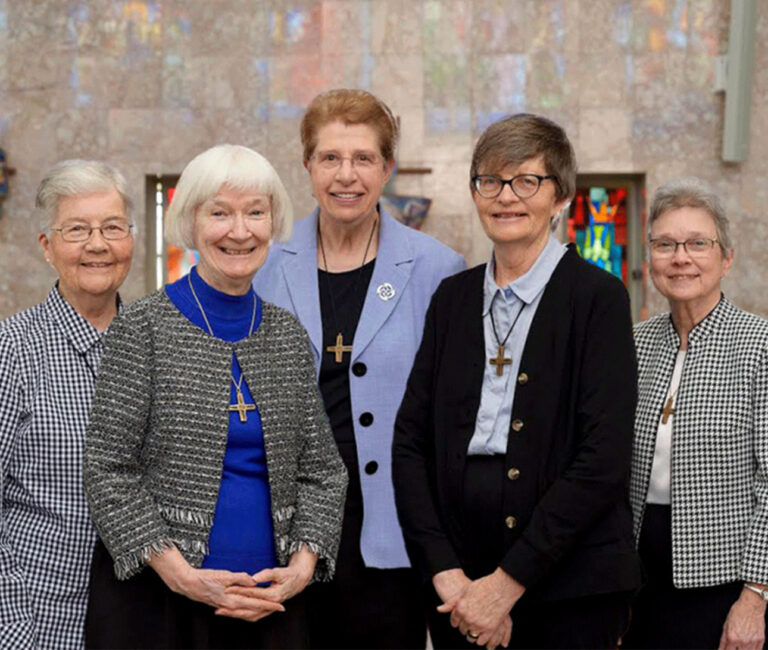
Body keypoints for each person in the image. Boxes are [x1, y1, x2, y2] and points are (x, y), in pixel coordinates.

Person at [393, 113, 642, 650]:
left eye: (526, 181)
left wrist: (505, 587)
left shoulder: (599, 299)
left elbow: (603, 459)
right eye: (491, 180)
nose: (506, 196)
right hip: (458, 583)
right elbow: (410, 442)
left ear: (560, 197)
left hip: (569, 586)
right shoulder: (452, 300)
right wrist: (445, 573)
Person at [83, 144, 347, 650]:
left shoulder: (288, 337)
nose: (240, 231)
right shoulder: (142, 327)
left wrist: (301, 568)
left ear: (273, 222)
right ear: (190, 221)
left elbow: (323, 472)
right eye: (220, 213)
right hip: (162, 606)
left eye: (255, 212)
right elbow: (107, 468)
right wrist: (181, 574)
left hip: (274, 607)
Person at [254, 88, 465, 649]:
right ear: (307, 165)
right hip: (282, 528)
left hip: (390, 527)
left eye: (363, 158)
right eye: (330, 157)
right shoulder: (266, 264)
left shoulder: (436, 269)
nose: (346, 175)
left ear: (387, 168)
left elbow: (450, 415)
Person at [623, 177, 768, 650]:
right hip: (638, 581)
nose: (680, 257)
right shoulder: (634, 344)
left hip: (725, 588)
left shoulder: (759, 346)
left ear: (726, 259)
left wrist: (755, 596)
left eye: (697, 244)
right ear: (650, 258)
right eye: (665, 244)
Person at [0, 160, 135, 649]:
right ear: (46, 246)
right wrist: (14, 631)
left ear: (131, 240)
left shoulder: (156, 344)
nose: (97, 244)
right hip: (46, 625)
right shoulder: (11, 350)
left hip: (142, 624)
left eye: (112, 227)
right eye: (77, 229)